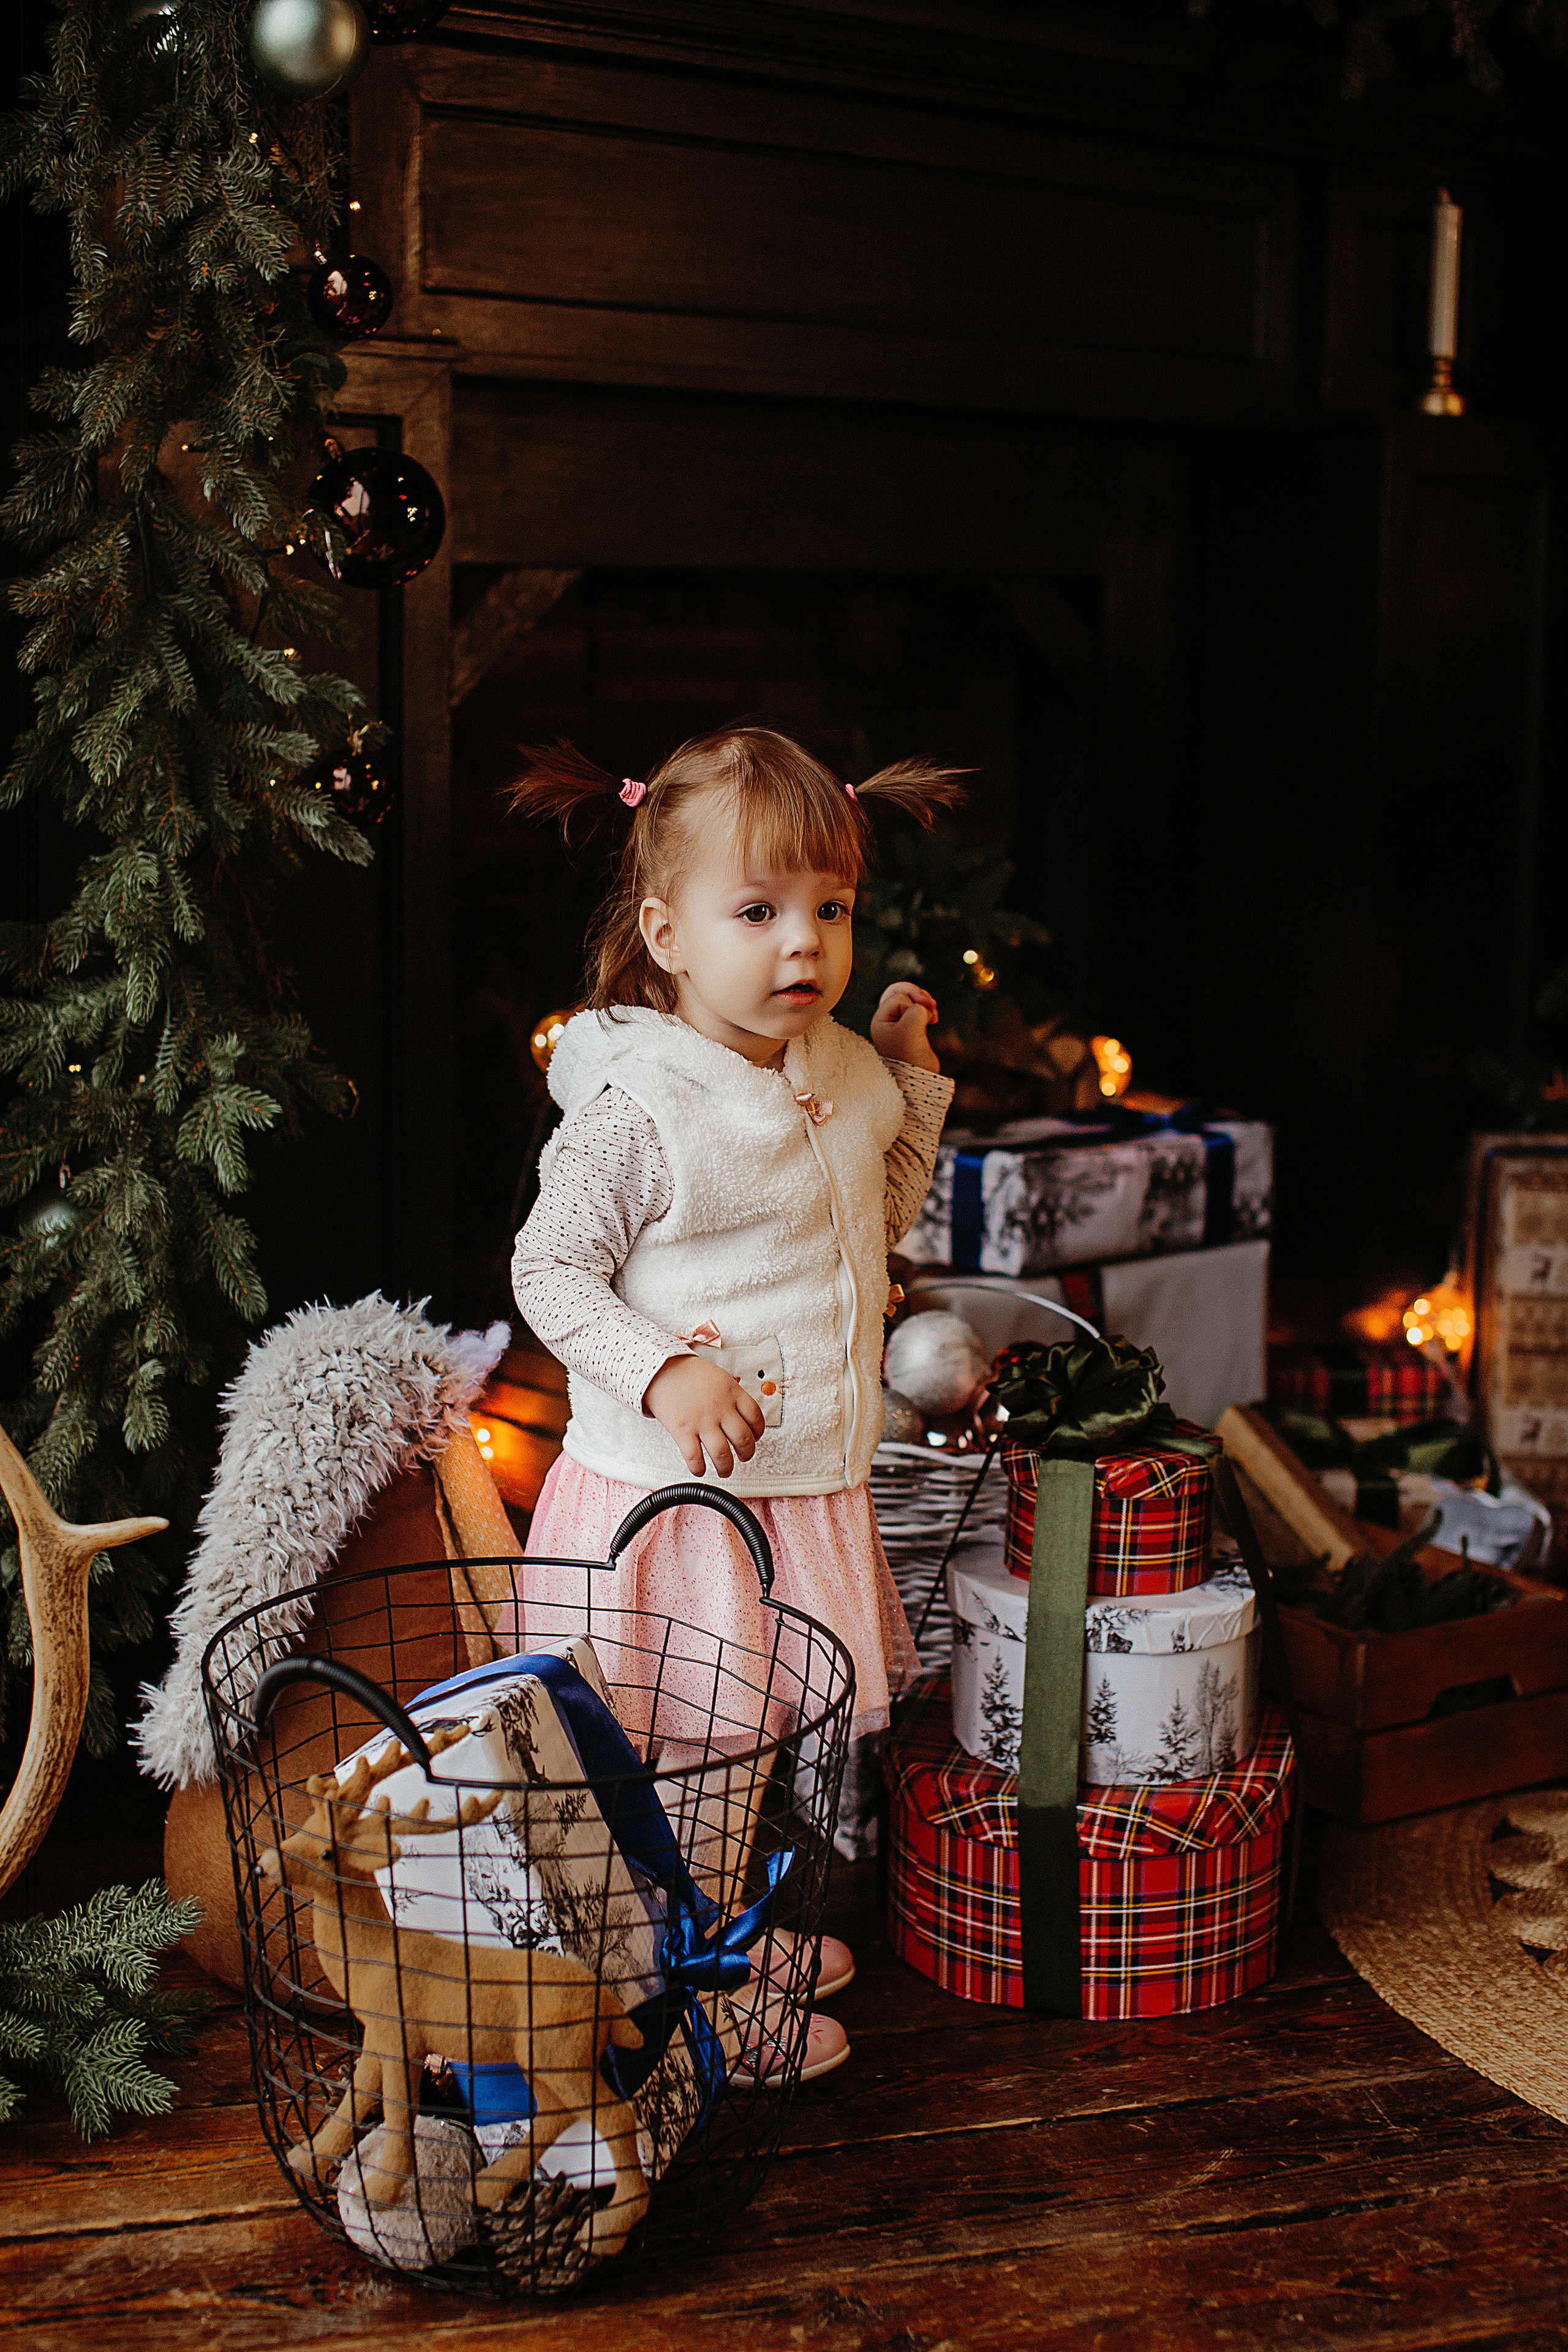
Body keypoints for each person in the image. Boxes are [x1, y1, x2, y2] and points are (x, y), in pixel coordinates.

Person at [509, 726, 962, 2081]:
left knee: (745, 1747)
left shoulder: (832, 1067)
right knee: (692, 1759)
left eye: (827, 909)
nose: (802, 947)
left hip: (793, 1490)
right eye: (757, 912)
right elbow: (546, 1269)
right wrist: (661, 1364)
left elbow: (876, 1227)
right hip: (680, 1506)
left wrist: (909, 1083)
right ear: (666, 933)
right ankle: (697, 2000)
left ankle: (710, 1926)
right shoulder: (640, 1109)